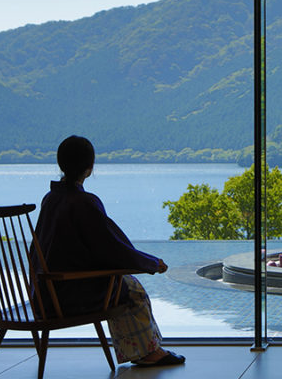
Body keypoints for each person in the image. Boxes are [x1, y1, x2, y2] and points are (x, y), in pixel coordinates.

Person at [33, 135, 185, 367]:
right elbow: (113, 248)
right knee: (131, 289)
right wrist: (152, 264)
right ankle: (148, 353)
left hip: (43, 294)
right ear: (90, 168)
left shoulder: (51, 198)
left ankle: (142, 351)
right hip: (68, 296)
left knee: (118, 284)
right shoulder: (84, 203)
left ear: (61, 164)